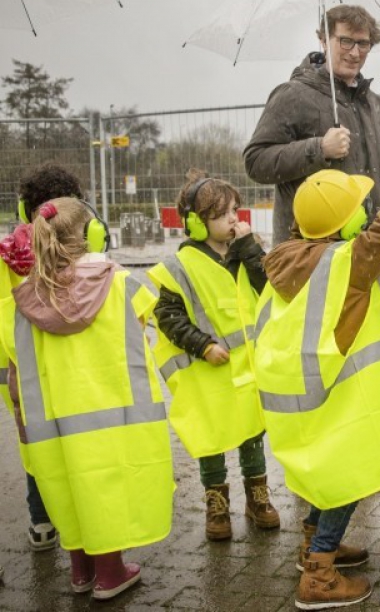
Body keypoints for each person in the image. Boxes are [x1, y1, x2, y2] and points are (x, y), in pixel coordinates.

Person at [254, 159, 380, 610]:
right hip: (339, 396)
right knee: (346, 475)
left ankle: (315, 544)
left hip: (304, 395)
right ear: (344, 223)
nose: (366, 212)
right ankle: (319, 573)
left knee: (326, 473)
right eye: (359, 207)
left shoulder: (285, 257)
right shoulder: (346, 263)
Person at [0, 197, 174, 600]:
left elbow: (13, 353)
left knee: (68, 487)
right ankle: (111, 573)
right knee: (106, 488)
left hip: (54, 423)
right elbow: (143, 320)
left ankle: (81, 571)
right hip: (113, 413)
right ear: (93, 235)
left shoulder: (24, 299)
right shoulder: (120, 283)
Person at [148, 170, 279, 541]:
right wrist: (202, 344)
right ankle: (216, 503)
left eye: (236, 211)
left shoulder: (244, 253)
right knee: (212, 439)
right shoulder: (177, 268)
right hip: (209, 374)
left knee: (252, 434)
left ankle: (257, 496)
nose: (234, 219)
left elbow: (268, 286)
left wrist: (251, 248)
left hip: (246, 370)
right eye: (223, 214)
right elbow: (168, 317)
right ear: (194, 222)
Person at [244, 5, 380, 244]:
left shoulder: (376, 106)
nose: (355, 53)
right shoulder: (292, 95)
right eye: (345, 41)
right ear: (324, 40)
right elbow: (255, 162)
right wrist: (319, 149)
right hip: (307, 255)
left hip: (364, 254)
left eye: (363, 44)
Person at [0, 163, 86, 554]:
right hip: (70, 372)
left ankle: (42, 524)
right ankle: (81, 521)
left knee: (36, 448)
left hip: (19, 375)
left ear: (24, 210)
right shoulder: (81, 254)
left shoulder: (6, 257)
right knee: (72, 445)